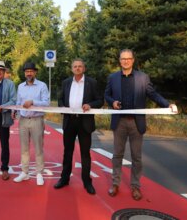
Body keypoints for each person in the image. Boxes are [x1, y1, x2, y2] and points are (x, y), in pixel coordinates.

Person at [105, 49, 175, 201]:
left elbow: (153, 94)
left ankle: (135, 186)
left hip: (137, 122)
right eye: (123, 59)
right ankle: (115, 183)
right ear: (119, 60)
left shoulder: (143, 77)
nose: (125, 61)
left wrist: (167, 104)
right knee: (117, 155)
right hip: (120, 122)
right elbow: (107, 95)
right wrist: (113, 102)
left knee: (137, 157)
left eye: (128, 58)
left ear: (133, 60)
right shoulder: (113, 77)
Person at [54, 59, 103, 194]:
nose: (77, 68)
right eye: (75, 66)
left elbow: (100, 100)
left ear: (84, 68)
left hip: (84, 122)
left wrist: (90, 105)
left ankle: (87, 182)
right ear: (71, 69)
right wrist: (62, 107)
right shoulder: (66, 83)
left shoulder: (92, 83)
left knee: (85, 153)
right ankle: (64, 179)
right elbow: (60, 99)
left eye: (80, 66)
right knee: (67, 152)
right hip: (69, 121)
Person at [13, 62, 50, 186]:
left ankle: (39, 173)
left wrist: (33, 101)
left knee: (38, 147)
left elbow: (46, 103)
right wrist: (15, 111)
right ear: (24, 73)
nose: (29, 73)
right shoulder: (20, 86)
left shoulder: (42, 86)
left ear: (35, 72)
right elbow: (18, 101)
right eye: (26, 71)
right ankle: (24, 172)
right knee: (24, 148)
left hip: (37, 120)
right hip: (23, 120)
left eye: (31, 71)